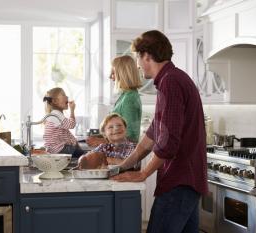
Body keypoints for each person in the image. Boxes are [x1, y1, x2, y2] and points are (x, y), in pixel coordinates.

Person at [111, 30, 208, 233]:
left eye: (138, 57)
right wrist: (124, 165)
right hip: (188, 180)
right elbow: (153, 132)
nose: (137, 64)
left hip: (179, 181)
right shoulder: (172, 79)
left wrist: (144, 173)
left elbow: (169, 141)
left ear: (147, 55)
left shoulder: (170, 82)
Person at [87, 55, 142, 146]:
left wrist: (102, 142)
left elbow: (131, 137)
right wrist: (100, 136)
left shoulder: (130, 99)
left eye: (113, 73)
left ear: (123, 74)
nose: (110, 77)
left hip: (124, 156)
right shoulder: (125, 95)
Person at [40, 87, 85, 158]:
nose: (67, 97)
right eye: (63, 95)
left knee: (83, 155)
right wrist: (72, 110)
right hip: (59, 149)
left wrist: (75, 142)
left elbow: (66, 132)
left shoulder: (56, 115)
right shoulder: (56, 115)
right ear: (55, 101)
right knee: (85, 157)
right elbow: (71, 125)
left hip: (56, 149)